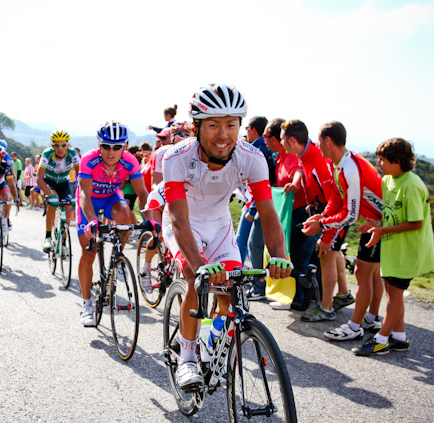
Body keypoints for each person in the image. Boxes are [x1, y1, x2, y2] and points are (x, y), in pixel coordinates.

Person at [162, 84, 292, 390]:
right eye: (213, 125)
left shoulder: (252, 157)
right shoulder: (176, 157)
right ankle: (188, 358)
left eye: (231, 124)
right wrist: (199, 264)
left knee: (230, 290)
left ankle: (215, 336)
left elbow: (269, 212)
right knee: (197, 277)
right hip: (184, 224)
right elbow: (179, 219)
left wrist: (279, 255)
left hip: (219, 224)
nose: (224, 134)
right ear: (197, 127)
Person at [302, 122, 385, 341]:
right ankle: (372, 318)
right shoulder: (339, 163)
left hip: (382, 222)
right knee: (371, 272)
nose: (317, 146)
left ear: (328, 141)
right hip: (375, 221)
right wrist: (322, 217)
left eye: (319, 141)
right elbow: (336, 199)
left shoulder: (349, 168)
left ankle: (357, 325)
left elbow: (350, 215)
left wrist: (322, 226)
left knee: (363, 271)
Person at [353, 138, 434, 356]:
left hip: (408, 250)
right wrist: (376, 224)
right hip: (394, 248)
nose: (379, 164)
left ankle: (381, 340)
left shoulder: (412, 185)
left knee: (395, 293)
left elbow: (416, 222)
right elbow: (389, 215)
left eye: (383, 160)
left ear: (398, 161)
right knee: (392, 290)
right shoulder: (388, 180)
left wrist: (382, 231)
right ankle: (399, 337)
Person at [77, 122, 150, 327]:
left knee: (126, 213)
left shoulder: (130, 162)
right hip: (90, 200)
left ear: (124, 146)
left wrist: (150, 219)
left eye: (117, 147)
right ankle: (86, 305)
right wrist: (92, 220)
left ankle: (118, 257)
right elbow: (84, 194)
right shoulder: (89, 160)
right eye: (106, 146)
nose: (111, 151)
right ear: (99, 145)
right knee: (89, 252)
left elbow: (142, 193)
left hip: (110, 197)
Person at [281, 120, 352, 321]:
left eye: (282, 139)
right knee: (332, 254)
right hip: (325, 210)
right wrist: (314, 204)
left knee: (326, 255)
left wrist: (327, 230)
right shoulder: (306, 155)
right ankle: (342, 294)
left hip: (336, 213)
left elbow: (335, 198)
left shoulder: (317, 160)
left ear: (292, 140)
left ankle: (325, 307)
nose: (280, 142)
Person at [262, 119, 312, 310]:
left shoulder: (290, 157)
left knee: (299, 256)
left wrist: (295, 184)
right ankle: (298, 298)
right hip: (289, 212)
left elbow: (298, 172)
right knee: (297, 255)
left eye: (267, 137)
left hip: (298, 212)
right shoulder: (280, 156)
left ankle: (299, 300)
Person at [237, 115, 273, 301]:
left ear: (253, 130)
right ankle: (247, 279)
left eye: (246, 129)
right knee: (247, 242)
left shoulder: (257, 150)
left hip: (256, 204)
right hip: (258, 204)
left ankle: (254, 283)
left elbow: (258, 184)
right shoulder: (263, 149)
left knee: (248, 243)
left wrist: (251, 209)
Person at [37, 130, 80, 252]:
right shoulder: (47, 154)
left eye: (63, 145)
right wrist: (50, 195)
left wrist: (77, 195)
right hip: (49, 183)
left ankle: (64, 242)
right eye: (57, 145)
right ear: (52, 145)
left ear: (68, 144)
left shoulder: (72, 154)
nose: (60, 148)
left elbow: (81, 175)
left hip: (63, 183)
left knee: (68, 207)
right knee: (53, 204)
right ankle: (48, 237)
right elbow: (39, 179)